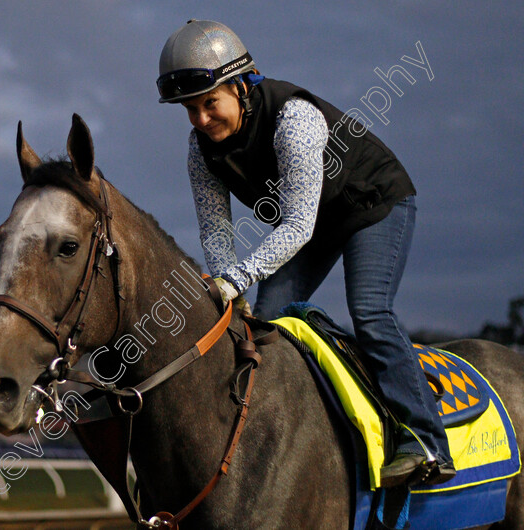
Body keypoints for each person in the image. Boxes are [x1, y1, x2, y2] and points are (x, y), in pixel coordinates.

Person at [156, 19, 454, 488]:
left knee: (370, 312)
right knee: (269, 326)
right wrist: (228, 294)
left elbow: (297, 225)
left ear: (240, 85)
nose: (200, 120)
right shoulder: (200, 150)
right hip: (312, 222)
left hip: (373, 203)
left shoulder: (294, 117)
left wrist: (236, 280)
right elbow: (216, 230)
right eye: (189, 110)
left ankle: (425, 441)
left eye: (209, 103)